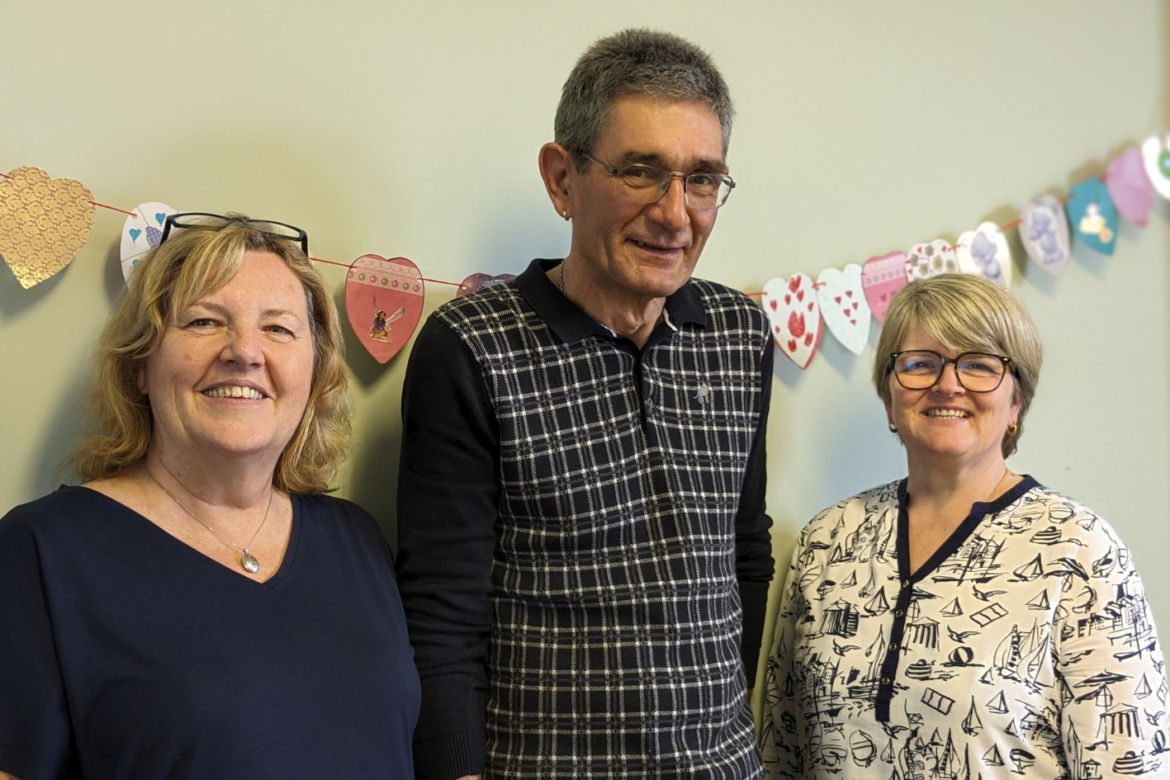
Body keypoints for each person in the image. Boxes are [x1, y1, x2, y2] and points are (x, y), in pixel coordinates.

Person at [396, 29, 774, 779]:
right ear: (562, 179)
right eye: (641, 172)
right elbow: (442, 612)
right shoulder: (470, 346)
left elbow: (745, 552)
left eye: (702, 179)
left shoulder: (740, 334)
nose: (676, 213)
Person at [0, 213, 420, 779]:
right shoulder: (43, 551)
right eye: (203, 322)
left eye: (278, 329)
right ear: (140, 366)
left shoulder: (357, 536)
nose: (244, 352)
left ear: (315, 371)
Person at [761, 273, 1168, 778]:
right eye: (919, 364)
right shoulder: (826, 541)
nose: (946, 383)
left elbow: (1131, 766)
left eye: (978, 364)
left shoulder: (1080, 549)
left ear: (1016, 401)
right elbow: (781, 751)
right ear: (889, 398)